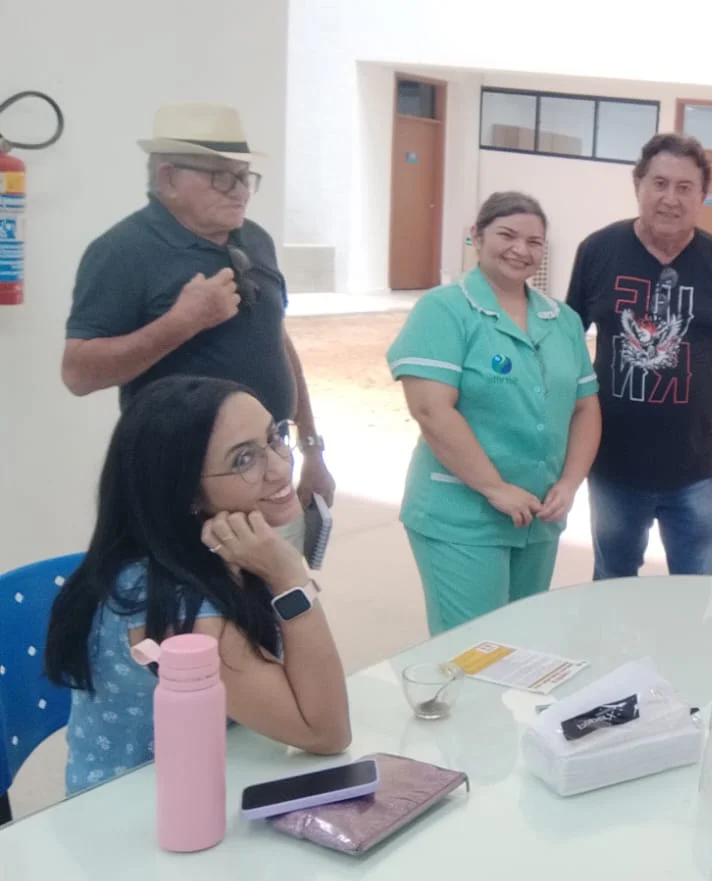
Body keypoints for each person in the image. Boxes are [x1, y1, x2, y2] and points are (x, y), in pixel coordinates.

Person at [43, 376, 350, 792]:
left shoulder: (222, 551)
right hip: (144, 814)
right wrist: (289, 577)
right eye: (244, 459)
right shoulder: (178, 612)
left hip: (220, 776)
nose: (281, 467)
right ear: (188, 493)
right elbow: (326, 732)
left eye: (274, 436)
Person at [61, 103, 335, 516]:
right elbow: (78, 374)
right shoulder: (121, 252)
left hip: (269, 459)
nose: (240, 191)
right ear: (168, 178)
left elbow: (274, 337)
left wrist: (311, 446)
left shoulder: (256, 239)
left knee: (272, 560)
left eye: (244, 177)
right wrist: (181, 324)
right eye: (222, 178)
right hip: (183, 478)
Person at [388, 192, 601, 634]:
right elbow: (430, 409)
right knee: (472, 650)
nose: (521, 250)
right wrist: (494, 488)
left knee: (521, 644)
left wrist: (569, 483)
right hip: (463, 517)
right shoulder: (444, 310)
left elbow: (585, 407)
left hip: (538, 517)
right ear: (477, 236)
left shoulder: (562, 320)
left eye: (534, 242)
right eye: (507, 235)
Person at [565, 133, 712, 579]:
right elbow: (566, 343)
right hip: (612, 465)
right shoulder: (597, 251)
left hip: (697, 471)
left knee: (697, 589)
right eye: (659, 183)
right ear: (637, 184)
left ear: (702, 196)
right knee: (612, 584)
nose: (670, 199)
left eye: (685, 188)